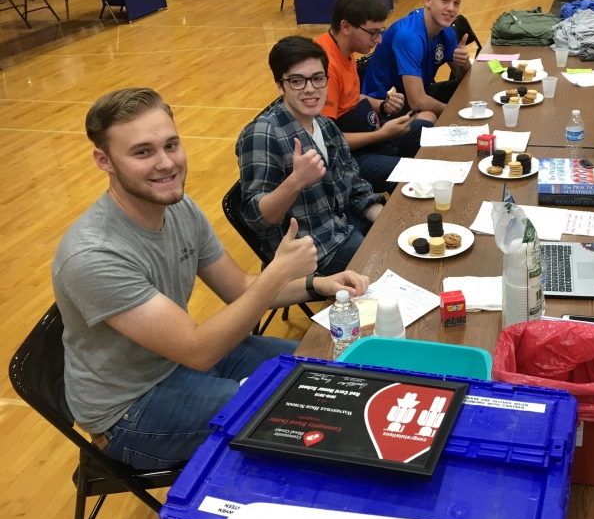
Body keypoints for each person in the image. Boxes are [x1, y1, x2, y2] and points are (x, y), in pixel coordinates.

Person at [52, 88, 369, 469]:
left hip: (180, 361)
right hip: (130, 410)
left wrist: (316, 284)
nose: (166, 163)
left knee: (315, 364)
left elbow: (238, 288)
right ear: (104, 161)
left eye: (171, 145)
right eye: (142, 152)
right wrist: (278, 272)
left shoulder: (180, 208)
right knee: (293, 413)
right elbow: (198, 349)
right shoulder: (94, 254)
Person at [237, 36, 386, 274]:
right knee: (384, 266)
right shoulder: (262, 133)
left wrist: (386, 221)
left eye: (317, 79)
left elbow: (355, 187)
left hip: (341, 229)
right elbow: (256, 217)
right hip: (309, 254)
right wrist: (295, 181)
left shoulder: (325, 125)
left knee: (402, 237)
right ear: (280, 85)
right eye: (297, 81)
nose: (310, 89)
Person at [314, 0, 437, 193]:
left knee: (430, 133)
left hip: (368, 132)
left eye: (380, 32)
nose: (379, 40)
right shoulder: (323, 67)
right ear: (346, 27)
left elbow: (352, 98)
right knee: (418, 172)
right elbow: (326, 143)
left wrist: (382, 105)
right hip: (345, 159)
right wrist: (381, 134)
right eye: (373, 33)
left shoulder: (346, 49)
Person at [361, 0, 471, 116]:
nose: (451, 8)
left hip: (411, 94)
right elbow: (417, 102)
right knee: (428, 117)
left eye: (456, 3)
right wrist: (453, 112)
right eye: (445, 0)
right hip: (383, 106)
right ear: (428, 1)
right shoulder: (410, 36)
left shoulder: (446, 31)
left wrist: (464, 62)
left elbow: (464, 78)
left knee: (468, 90)